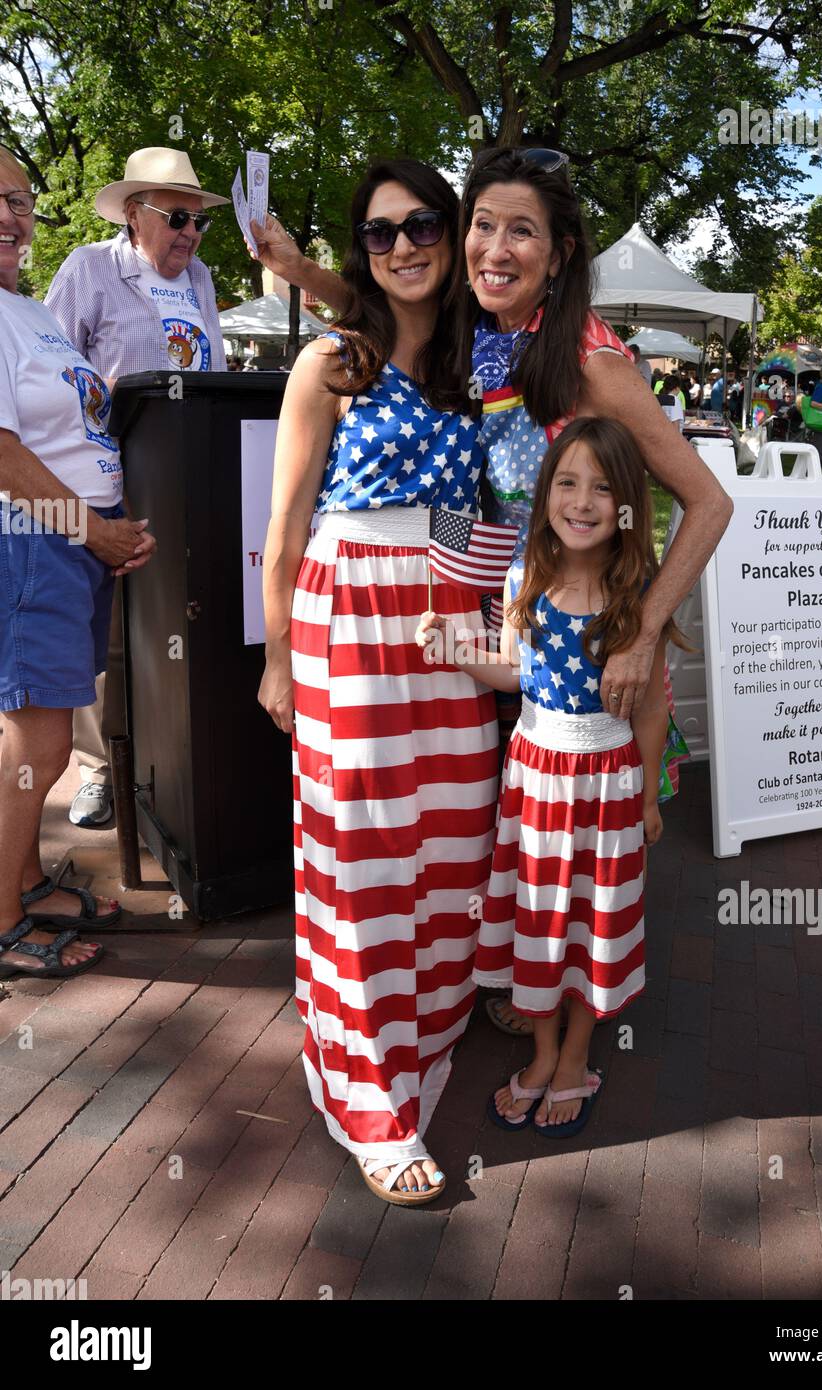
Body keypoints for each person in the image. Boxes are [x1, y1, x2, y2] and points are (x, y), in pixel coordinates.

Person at [252, 148, 731, 1035]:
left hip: (600, 640)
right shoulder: (484, 335)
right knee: (521, 822)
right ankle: (524, 987)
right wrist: (297, 269)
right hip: (509, 628)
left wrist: (642, 632)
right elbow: (391, 292)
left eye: (523, 231)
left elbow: (709, 502)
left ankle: (581, 1035)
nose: (493, 248)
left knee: (604, 835)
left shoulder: (592, 361)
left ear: (560, 253)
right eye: (482, 224)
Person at [257, 159, 500, 1204]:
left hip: (446, 615)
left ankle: (434, 1017)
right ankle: (371, 1098)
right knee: (357, 849)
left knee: (451, 838)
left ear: (451, 236)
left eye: (422, 226)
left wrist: (471, 608)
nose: (402, 245)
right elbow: (287, 521)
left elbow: (460, 505)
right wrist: (276, 654)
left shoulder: (473, 365)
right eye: (378, 232)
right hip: (346, 611)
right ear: (361, 251)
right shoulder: (330, 361)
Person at [417, 416, 679, 1135]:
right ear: (545, 494)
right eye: (567, 482)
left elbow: (652, 709)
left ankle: (574, 1058)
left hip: (608, 790)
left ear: (627, 503)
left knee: (591, 926)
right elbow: (514, 673)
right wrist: (453, 651)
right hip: (533, 783)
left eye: (602, 486)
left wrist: (649, 795)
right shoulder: (523, 575)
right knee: (540, 921)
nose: (583, 500)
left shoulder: (639, 597)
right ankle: (540, 1049)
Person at [0, 145, 155, 980]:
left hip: (72, 543)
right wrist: (93, 533)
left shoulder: (28, 308)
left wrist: (113, 526)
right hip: (34, 543)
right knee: (39, 739)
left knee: (48, 735)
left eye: (17, 199)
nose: (7, 216)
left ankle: (22, 883)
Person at [45, 147, 229, 830]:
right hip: (110, 480)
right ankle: (98, 769)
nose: (190, 233)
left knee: (176, 618)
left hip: (191, 477)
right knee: (111, 627)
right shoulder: (89, 269)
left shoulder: (203, 278)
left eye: (199, 222)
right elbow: (48, 373)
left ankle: (171, 758)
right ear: (134, 214)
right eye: (178, 217)